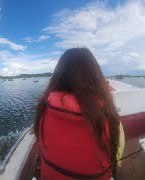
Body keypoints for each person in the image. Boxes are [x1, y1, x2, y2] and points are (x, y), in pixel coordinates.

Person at [33, 47, 124, 180]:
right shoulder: (107, 117)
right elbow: (115, 155)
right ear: (95, 77)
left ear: (58, 75)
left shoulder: (43, 109)